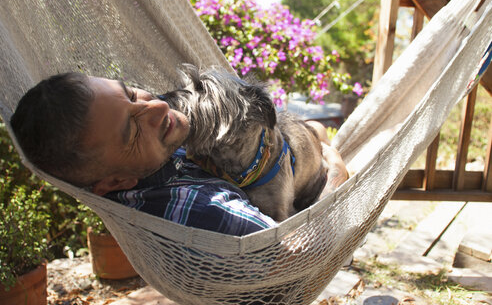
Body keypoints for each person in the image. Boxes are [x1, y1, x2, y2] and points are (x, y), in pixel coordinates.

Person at [11, 72, 347, 236]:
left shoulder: (152, 150)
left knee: (315, 131)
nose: (158, 103)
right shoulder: (205, 209)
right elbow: (297, 253)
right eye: (131, 129)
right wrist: (338, 175)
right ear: (117, 181)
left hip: (292, 145)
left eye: (130, 92)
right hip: (314, 177)